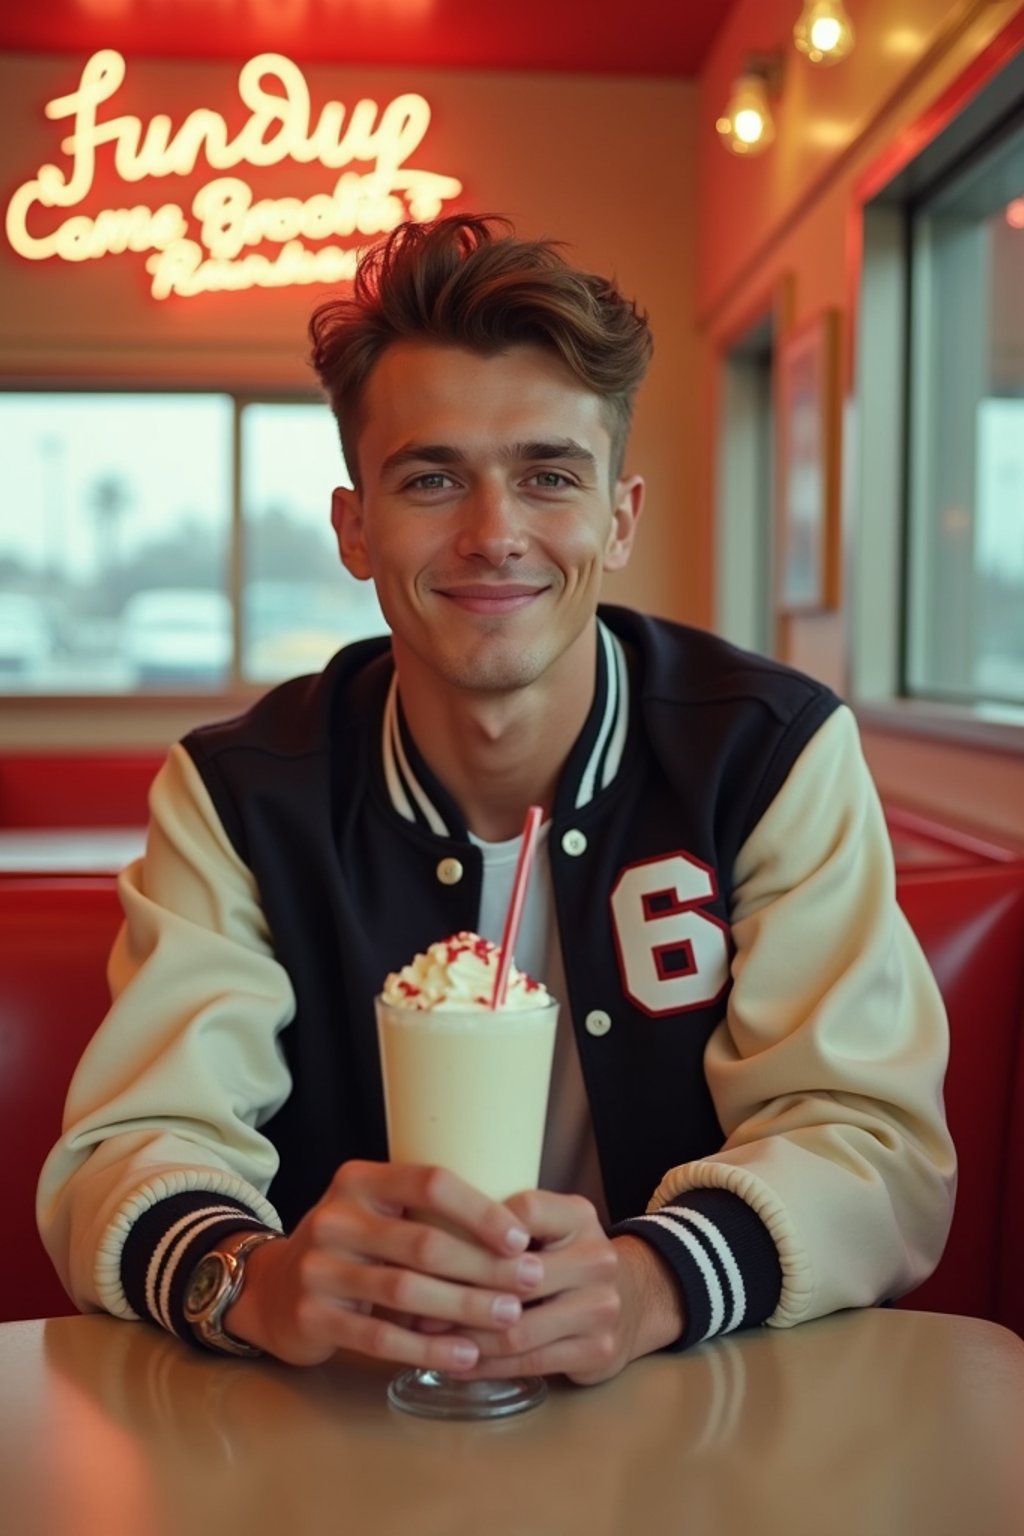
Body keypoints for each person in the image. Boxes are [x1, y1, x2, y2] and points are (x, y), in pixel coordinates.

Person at [38, 215, 955, 1384]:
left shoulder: (768, 755)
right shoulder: (238, 794)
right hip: (338, 1432)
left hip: (698, 1417)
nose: (493, 535)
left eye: (547, 476)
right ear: (353, 527)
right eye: (431, 478)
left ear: (617, 517)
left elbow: (877, 1142)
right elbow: (132, 1145)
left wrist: (647, 1281)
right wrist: (253, 1280)